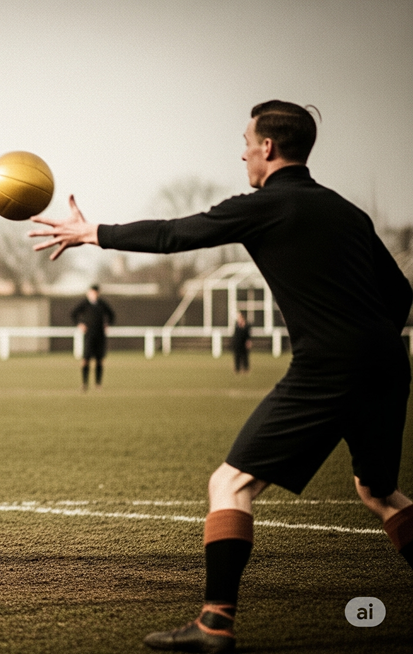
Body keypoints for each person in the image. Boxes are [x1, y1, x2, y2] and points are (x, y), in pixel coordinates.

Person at [30, 101, 413, 652]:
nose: (241, 150)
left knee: (229, 484)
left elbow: (174, 234)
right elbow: (399, 295)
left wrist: (94, 232)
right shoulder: (348, 212)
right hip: (388, 362)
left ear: (267, 148)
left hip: (329, 365)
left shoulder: (267, 205)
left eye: (245, 140)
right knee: (379, 491)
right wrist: (368, 344)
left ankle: (214, 623)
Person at [70, 284, 115, 390]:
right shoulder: (85, 304)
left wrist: (107, 323)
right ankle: (84, 383)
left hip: (100, 335)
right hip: (89, 335)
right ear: (89, 293)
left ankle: (98, 384)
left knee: (99, 360)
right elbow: (73, 314)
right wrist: (80, 324)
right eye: (92, 293)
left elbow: (112, 314)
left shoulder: (102, 304)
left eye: (95, 293)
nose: (94, 295)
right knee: (86, 359)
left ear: (98, 293)